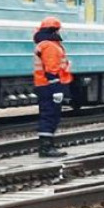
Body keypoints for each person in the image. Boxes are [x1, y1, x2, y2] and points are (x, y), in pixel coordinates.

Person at [33, 16, 72, 158]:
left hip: (44, 85)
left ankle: (48, 145)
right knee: (50, 116)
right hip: (49, 86)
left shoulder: (45, 44)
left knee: (49, 115)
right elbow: (51, 70)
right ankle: (46, 148)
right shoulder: (50, 46)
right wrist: (56, 90)